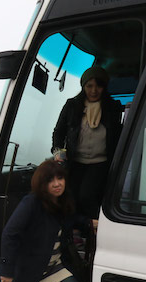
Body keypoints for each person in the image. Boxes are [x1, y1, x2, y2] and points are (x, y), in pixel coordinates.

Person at [52, 65, 124, 219]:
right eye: (89, 86)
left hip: (100, 163)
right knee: (71, 198)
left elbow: (119, 136)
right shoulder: (72, 106)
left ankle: (94, 229)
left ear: (104, 87)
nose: (93, 90)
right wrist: (57, 151)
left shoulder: (113, 108)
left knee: (87, 196)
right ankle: (75, 233)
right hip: (75, 162)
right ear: (83, 86)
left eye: (98, 86)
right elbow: (59, 131)